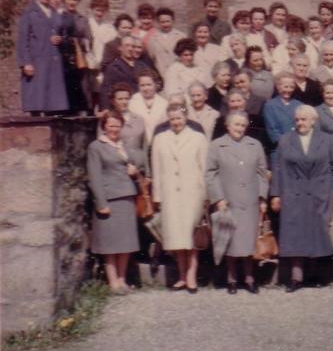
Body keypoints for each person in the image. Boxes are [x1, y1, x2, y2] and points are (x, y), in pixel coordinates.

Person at [271, 105, 333, 292]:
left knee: (317, 232)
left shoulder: (326, 140)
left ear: (313, 120)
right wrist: (276, 194)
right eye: (297, 120)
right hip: (294, 193)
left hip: (319, 192)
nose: (300, 123)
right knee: (296, 234)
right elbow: (277, 169)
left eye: (303, 119)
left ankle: (315, 275)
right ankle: (296, 277)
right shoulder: (285, 140)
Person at [206, 111, 269, 294]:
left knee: (248, 241)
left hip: (249, 200)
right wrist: (218, 198)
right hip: (228, 200)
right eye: (236, 125)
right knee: (231, 241)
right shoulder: (217, 145)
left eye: (242, 125)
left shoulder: (254, 144)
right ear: (227, 125)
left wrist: (262, 197)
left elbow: (262, 173)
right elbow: (210, 174)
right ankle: (231, 278)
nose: (239, 128)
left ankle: (249, 278)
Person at [152, 103, 209, 293]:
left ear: (186, 118)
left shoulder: (198, 138)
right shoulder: (160, 138)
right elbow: (156, 169)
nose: (176, 122)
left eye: (179, 118)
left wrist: (206, 195)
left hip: (192, 193)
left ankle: (192, 276)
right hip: (170, 195)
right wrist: (157, 195)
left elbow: (204, 169)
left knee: (191, 237)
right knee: (176, 238)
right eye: (173, 118)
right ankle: (181, 276)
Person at [87, 111, 144, 294]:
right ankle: (113, 283)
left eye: (117, 126)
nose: (114, 129)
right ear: (104, 126)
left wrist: (135, 171)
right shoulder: (96, 147)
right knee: (109, 243)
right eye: (111, 125)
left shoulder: (125, 146)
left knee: (125, 242)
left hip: (127, 197)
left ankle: (122, 279)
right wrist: (101, 202)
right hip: (109, 199)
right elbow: (94, 177)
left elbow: (137, 164)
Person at [16, 0, 68, 114]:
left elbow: (61, 33)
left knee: (53, 103)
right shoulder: (29, 13)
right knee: (37, 101)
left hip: (53, 62)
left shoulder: (55, 13)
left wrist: (60, 39)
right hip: (37, 61)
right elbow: (23, 39)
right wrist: (26, 62)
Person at [58, 0, 91, 114]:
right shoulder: (58, 17)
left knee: (80, 89)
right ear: (64, 0)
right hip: (62, 58)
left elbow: (88, 39)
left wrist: (78, 42)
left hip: (78, 58)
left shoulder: (82, 19)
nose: (71, 2)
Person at [100, 35, 151, 110]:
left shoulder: (143, 66)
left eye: (133, 46)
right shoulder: (113, 67)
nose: (130, 49)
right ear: (120, 48)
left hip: (140, 106)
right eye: (127, 46)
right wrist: (106, 108)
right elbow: (106, 89)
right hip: (121, 107)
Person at [263, 72, 304, 162]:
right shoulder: (270, 105)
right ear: (278, 87)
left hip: (298, 150)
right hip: (279, 151)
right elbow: (272, 131)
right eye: (286, 87)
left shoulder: (299, 105)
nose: (288, 90)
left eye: (291, 87)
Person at [129, 69, 168, 145]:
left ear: (155, 84)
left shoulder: (164, 104)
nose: (146, 88)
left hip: (158, 143)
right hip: (138, 144)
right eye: (142, 85)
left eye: (149, 84)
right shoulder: (132, 102)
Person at [103, 83, 146, 152]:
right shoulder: (107, 119)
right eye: (120, 99)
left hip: (137, 161)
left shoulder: (139, 119)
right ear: (113, 101)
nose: (124, 102)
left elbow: (144, 147)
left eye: (127, 98)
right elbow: (102, 148)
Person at [146, 7, 186, 77]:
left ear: (173, 21)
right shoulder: (153, 39)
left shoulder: (181, 37)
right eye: (162, 22)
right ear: (158, 22)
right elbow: (151, 59)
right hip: (160, 75)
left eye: (168, 21)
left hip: (178, 75)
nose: (165, 24)